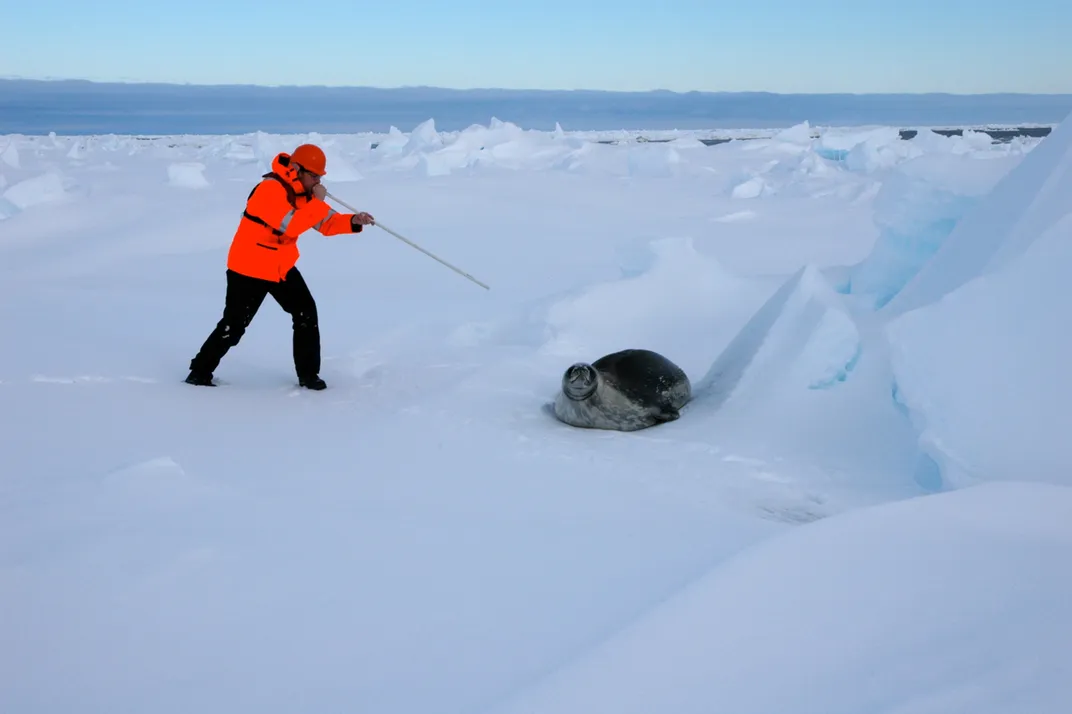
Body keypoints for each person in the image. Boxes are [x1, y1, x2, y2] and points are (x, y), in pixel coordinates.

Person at [185, 143, 374, 389]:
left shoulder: (304, 195)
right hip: (249, 267)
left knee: (306, 312)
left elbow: (326, 223)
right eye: (314, 175)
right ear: (297, 169)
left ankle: (308, 376)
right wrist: (316, 202)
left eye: (320, 176)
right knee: (234, 325)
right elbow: (292, 225)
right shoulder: (269, 190)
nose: (318, 181)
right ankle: (199, 372)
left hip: (279, 266)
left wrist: (353, 221)